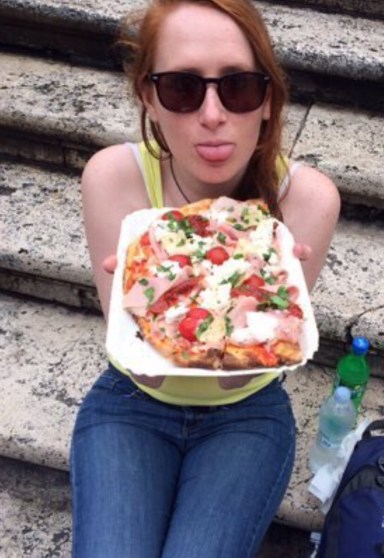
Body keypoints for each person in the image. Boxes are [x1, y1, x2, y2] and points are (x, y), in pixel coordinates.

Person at [70, 0, 340, 556]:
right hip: (131, 398)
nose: (213, 114)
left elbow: (239, 375)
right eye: (182, 88)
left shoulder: (309, 200)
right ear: (148, 96)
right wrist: (150, 298)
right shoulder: (112, 177)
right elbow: (141, 358)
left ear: (267, 99)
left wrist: (262, 293)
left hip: (245, 412)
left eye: (238, 87)